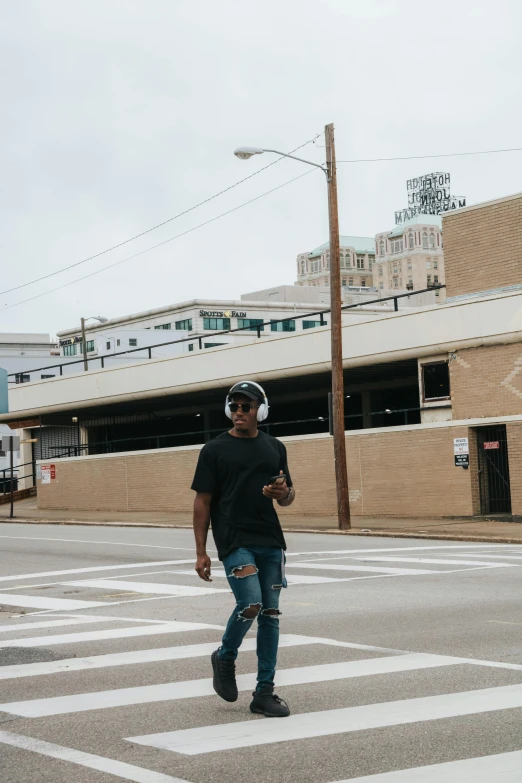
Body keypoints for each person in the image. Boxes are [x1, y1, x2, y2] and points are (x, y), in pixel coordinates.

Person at [191, 380, 295, 717]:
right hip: (234, 540)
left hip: (270, 540)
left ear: (260, 411)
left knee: (271, 615)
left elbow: (289, 495)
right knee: (250, 603)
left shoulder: (275, 447)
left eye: (245, 406)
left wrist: (284, 495)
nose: (239, 411)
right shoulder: (214, 450)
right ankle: (225, 656)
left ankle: (264, 692)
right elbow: (202, 501)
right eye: (234, 406)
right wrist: (201, 551)